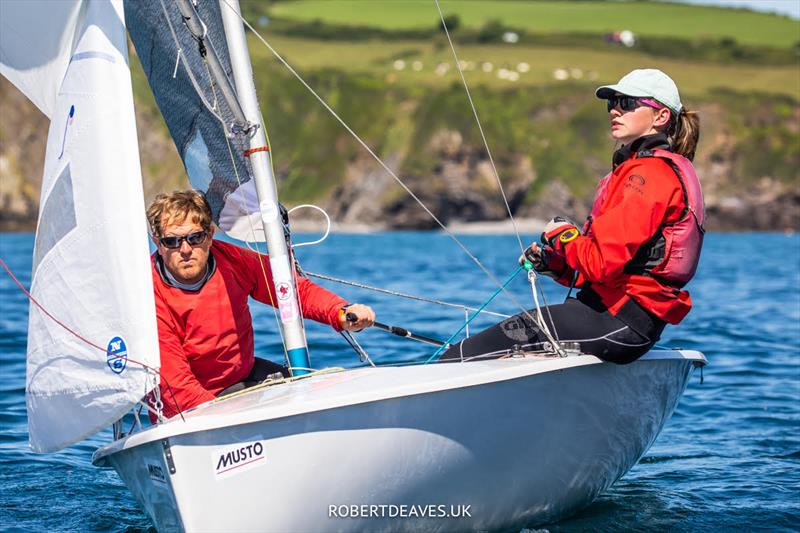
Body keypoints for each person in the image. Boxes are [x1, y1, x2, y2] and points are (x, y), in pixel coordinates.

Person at [442, 69, 704, 364]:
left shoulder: (648, 175)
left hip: (615, 322)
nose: (615, 109)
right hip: (623, 321)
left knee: (455, 358)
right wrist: (555, 264)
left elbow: (601, 263)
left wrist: (562, 234)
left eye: (628, 103)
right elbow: (603, 269)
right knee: (495, 348)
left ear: (661, 117)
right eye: (612, 103)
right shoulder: (651, 170)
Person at [146, 190, 375, 418]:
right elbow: (177, 386)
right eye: (172, 241)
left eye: (195, 238)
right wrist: (229, 421)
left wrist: (339, 311)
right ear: (157, 242)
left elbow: (291, 290)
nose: (185, 250)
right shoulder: (148, 295)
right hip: (184, 409)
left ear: (210, 235)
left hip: (242, 379)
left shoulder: (232, 262)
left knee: (324, 396)